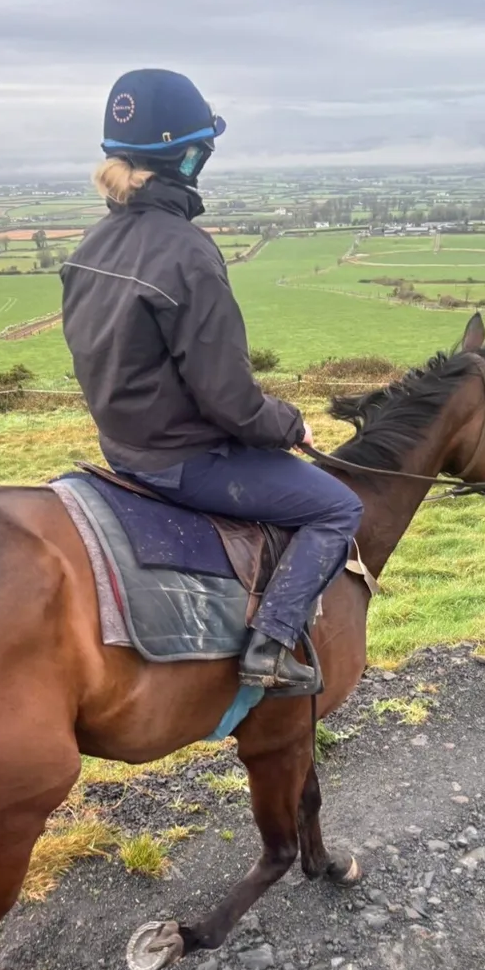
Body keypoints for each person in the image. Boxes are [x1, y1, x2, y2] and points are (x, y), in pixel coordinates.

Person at [61, 68, 363, 691]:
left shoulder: (91, 244)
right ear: (187, 157)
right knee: (338, 506)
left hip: (120, 449)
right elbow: (229, 399)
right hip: (183, 459)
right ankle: (272, 646)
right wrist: (289, 423)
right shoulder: (187, 250)